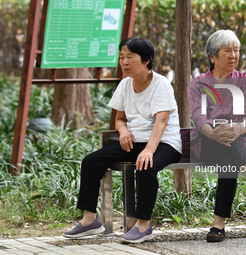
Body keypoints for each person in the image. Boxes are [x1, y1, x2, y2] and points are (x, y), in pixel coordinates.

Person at [63, 37, 182, 243]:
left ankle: (143, 224)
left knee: (146, 166)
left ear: (146, 60)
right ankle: (90, 219)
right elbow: (119, 119)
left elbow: (161, 121)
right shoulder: (125, 84)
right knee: (91, 162)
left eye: (130, 57)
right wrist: (124, 131)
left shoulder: (160, 84)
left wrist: (149, 150)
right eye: (121, 57)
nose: (124, 62)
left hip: (164, 142)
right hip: (135, 142)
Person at [188, 30, 246, 243]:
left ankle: (218, 226)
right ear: (213, 57)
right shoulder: (198, 83)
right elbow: (198, 116)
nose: (234, 55)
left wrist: (237, 129)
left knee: (229, 159)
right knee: (226, 138)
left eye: (236, 50)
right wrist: (212, 132)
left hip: (237, 143)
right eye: (227, 51)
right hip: (206, 141)